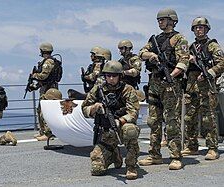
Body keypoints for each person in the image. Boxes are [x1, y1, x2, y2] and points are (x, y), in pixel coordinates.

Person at [138, 8, 189, 170]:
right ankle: (154, 155)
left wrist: (171, 76)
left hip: (170, 84)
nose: (160, 22)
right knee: (153, 120)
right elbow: (141, 53)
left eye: (163, 19)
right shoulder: (155, 39)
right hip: (154, 83)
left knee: (172, 121)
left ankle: (175, 156)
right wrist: (151, 56)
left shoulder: (179, 39)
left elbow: (183, 61)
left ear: (172, 20)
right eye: (159, 20)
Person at [81, 60, 140, 180]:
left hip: (121, 127)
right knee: (97, 170)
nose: (111, 78)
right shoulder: (98, 89)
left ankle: (131, 165)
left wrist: (121, 121)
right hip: (105, 132)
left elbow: (133, 112)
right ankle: (114, 154)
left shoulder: (127, 89)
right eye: (108, 76)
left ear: (120, 76)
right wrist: (94, 108)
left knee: (130, 130)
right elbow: (84, 109)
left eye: (114, 76)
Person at [182, 17, 224, 160]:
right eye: (196, 28)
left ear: (206, 29)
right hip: (192, 86)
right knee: (189, 117)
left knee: (208, 118)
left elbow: (221, 64)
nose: (198, 30)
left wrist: (209, 74)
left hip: (207, 86)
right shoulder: (191, 47)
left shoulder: (212, 46)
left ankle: (212, 148)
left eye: (201, 27)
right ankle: (192, 145)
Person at [32, 42, 62, 141]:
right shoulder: (48, 61)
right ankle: (43, 131)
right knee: (40, 109)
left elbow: (43, 76)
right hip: (47, 87)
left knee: (45, 111)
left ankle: (48, 133)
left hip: (49, 89)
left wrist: (34, 75)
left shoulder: (48, 62)